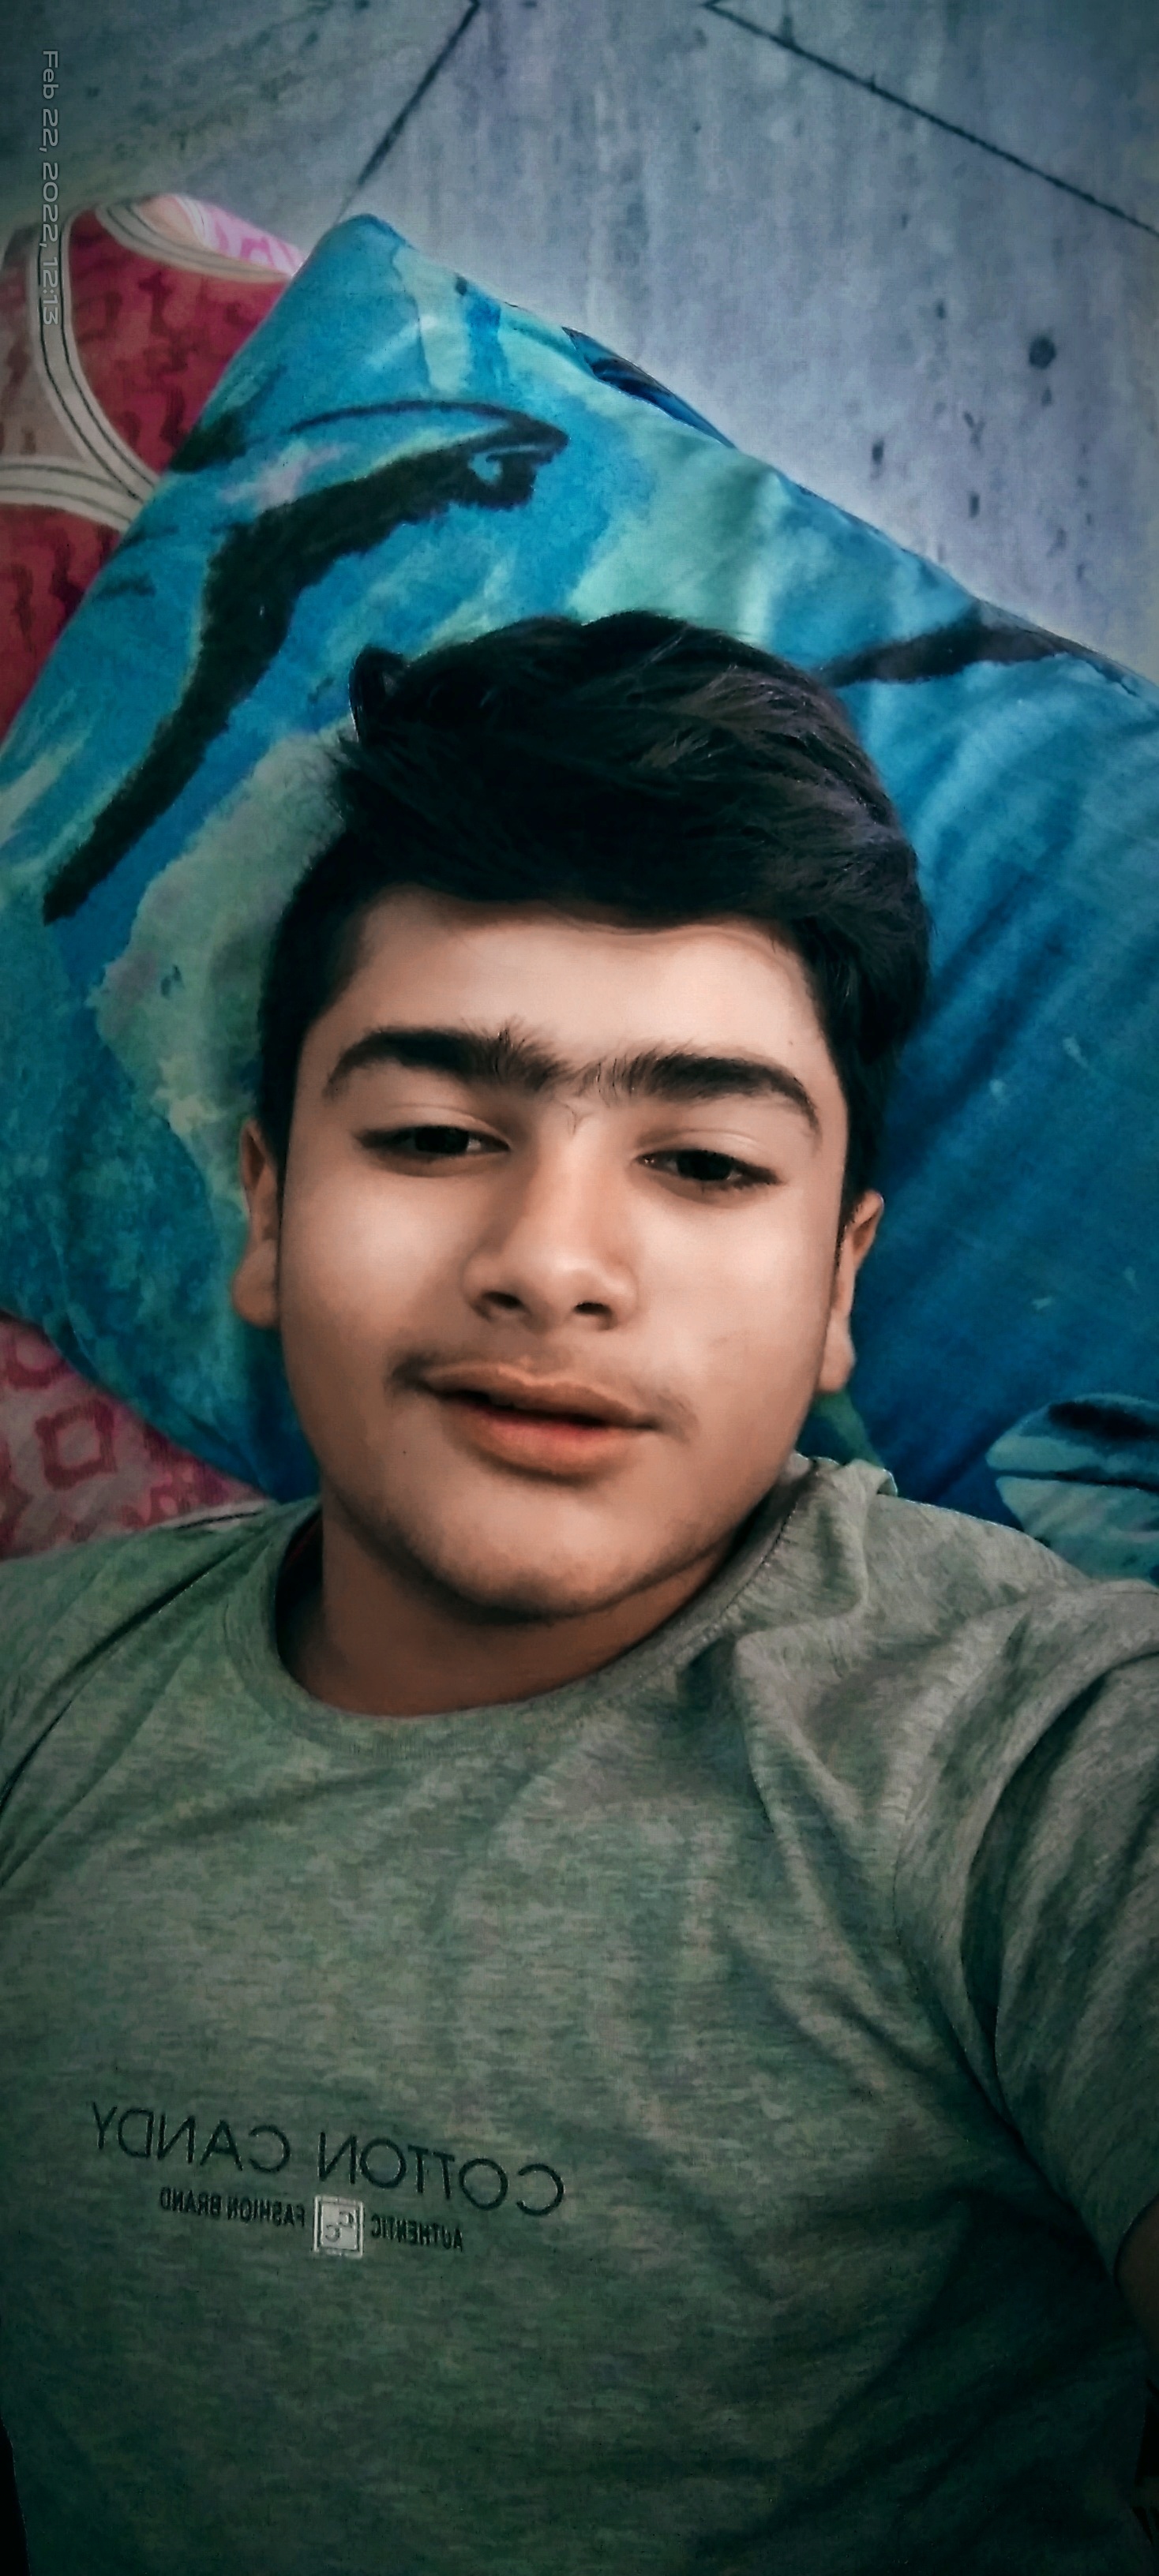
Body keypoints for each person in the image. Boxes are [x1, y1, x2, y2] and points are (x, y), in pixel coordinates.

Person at [1, 610, 1157, 2575]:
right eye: (436, 1136)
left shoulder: (1046, 1762)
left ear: (838, 1284)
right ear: (268, 1208)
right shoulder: (36, 1694)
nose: (551, 1262)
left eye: (700, 1165)